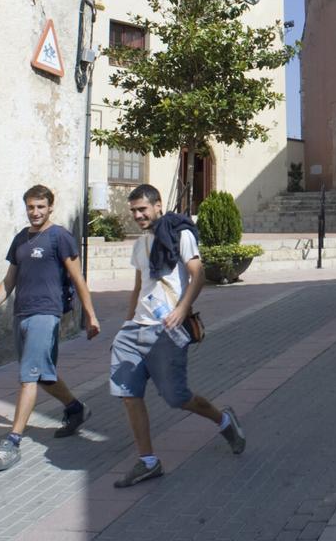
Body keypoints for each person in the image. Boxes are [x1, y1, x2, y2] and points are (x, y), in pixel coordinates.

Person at [110, 183, 245, 488]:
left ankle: (224, 421)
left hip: (166, 330)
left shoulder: (180, 235)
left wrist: (183, 309)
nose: (138, 215)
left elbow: (197, 273)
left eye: (143, 209)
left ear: (158, 206)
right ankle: (148, 461)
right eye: (133, 210)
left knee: (177, 398)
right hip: (136, 330)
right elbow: (139, 286)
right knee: (128, 394)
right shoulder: (140, 244)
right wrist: (126, 323)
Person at [0, 184, 100, 473]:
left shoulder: (60, 238)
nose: (35, 212)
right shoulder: (21, 239)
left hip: (47, 313)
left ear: (50, 207)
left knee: (28, 377)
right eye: (31, 207)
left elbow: (78, 278)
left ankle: (12, 442)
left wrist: (91, 315)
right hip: (22, 314)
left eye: (40, 207)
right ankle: (76, 409)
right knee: (43, 375)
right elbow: (8, 282)